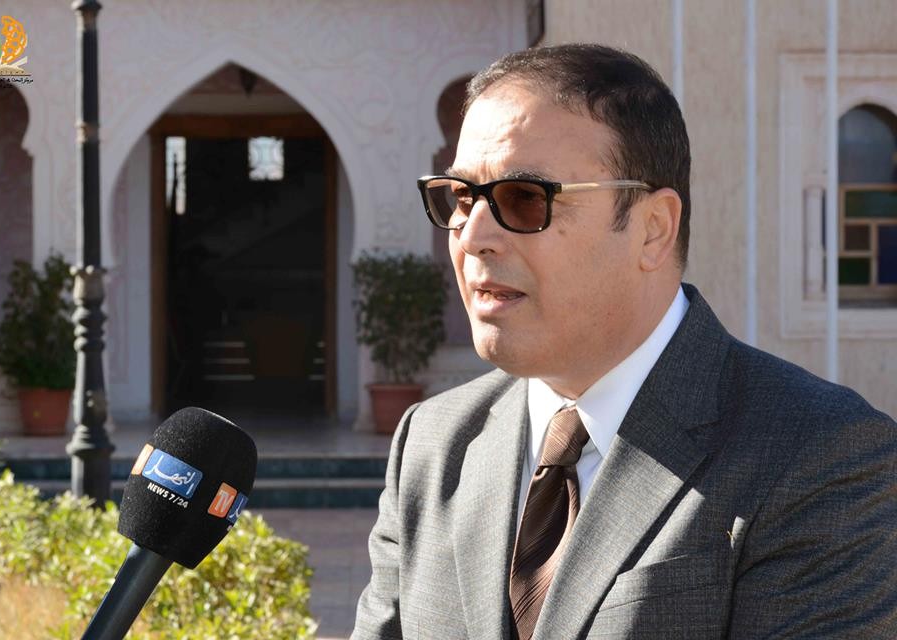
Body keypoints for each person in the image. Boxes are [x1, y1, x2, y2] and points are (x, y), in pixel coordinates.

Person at [351, 43, 897, 639]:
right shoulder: (433, 444)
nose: (473, 235)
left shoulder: (819, 454)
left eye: (524, 198)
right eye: (461, 197)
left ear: (653, 229)